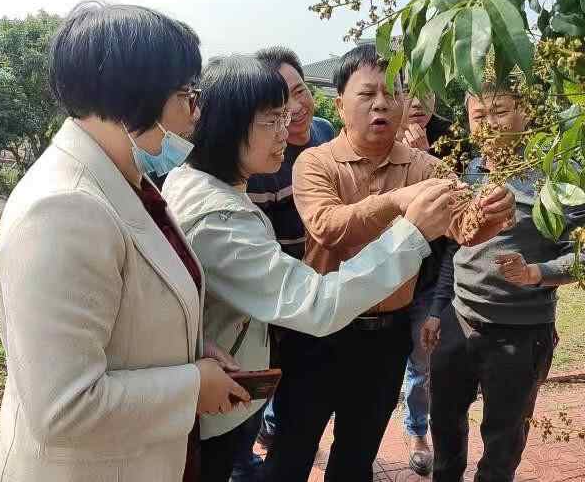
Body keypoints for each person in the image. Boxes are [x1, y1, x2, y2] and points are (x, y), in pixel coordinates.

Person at [0, 1, 251, 482]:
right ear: (135, 96)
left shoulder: (125, 182)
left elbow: (129, 318)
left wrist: (190, 350)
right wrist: (192, 387)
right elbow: (64, 407)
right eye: (186, 96)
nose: (195, 116)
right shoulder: (65, 209)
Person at [161, 54, 455, 482]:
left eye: (285, 115)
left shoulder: (207, 187)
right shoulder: (221, 217)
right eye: (272, 119)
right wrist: (410, 230)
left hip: (237, 380)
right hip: (231, 391)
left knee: (355, 453)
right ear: (228, 123)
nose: (286, 130)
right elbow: (317, 300)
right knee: (288, 453)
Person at [263, 44, 516, 482]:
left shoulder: (428, 168)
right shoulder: (315, 162)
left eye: (392, 93)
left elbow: (464, 228)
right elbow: (328, 227)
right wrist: (400, 201)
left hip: (386, 338)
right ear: (340, 105)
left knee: (356, 456)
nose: (381, 103)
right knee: (291, 452)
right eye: (367, 94)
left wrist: (493, 212)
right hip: (319, 332)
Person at [425, 82, 585, 482]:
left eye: (499, 111)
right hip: (458, 323)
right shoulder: (468, 172)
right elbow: (455, 249)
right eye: (478, 116)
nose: (488, 125)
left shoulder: (558, 179)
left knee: (503, 444)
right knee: (444, 426)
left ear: (526, 113)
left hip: (520, 336)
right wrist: (436, 310)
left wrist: (537, 273)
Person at [238, 47, 335, 475]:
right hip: (276, 298)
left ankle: (275, 434)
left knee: (297, 405)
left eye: (299, 91)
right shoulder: (259, 164)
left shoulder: (325, 133)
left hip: (319, 293)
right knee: (254, 400)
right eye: (279, 103)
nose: (295, 109)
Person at [396, 90, 452, 475]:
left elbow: (457, 217)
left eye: (426, 91)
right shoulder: (378, 136)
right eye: (409, 93)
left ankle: (417, 431)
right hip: (383, 281)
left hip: (429, 278)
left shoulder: (453, 140)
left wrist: (429, 160)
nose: (418, 102)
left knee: (422, 360)